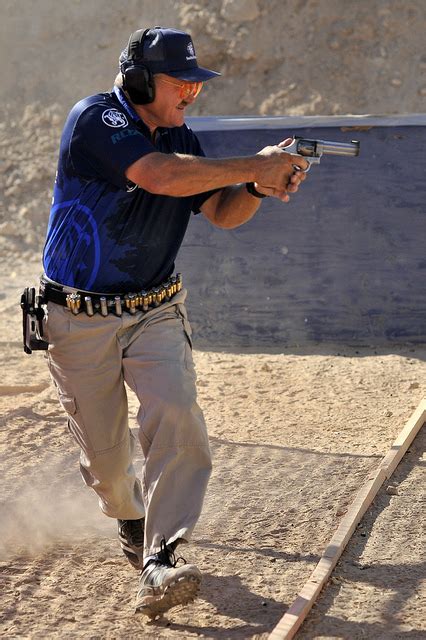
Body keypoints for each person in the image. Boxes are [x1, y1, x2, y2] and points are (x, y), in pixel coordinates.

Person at [40, 26, 308, 619]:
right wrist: (251, 163)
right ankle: (132, 520)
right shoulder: (97, 119)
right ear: (139, 80)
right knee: (109, 469)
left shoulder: (179, 136)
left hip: (155, 307)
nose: (192, 90)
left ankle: (161, 557)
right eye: (180, 79)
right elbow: (160, 175)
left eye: (195, 80)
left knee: (179, 411)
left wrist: (257, 186)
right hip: (78, 316)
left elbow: (222, 212)